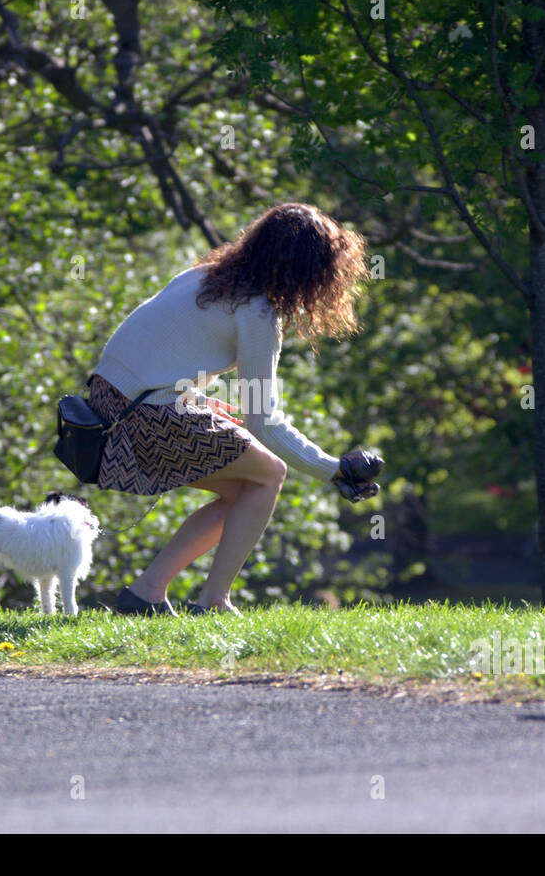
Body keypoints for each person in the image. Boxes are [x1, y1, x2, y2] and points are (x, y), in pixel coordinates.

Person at [88, 202, 383, 616]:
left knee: (243, 491)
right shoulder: (258, 312)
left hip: (106, 404)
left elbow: (151, 360)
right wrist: (334, 470)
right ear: (308, 270)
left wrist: (199, 402)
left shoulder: (204, 276)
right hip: (142, 415)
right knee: (270, 474)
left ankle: (146, 593)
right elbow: (265, 422)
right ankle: (213, 601)